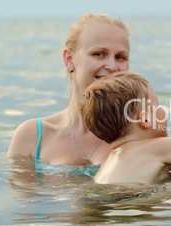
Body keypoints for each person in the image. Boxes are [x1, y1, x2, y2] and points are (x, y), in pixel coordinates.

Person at [7, 14, 130, 175]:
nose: (112, 66)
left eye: (120, 57)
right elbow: (20, 199)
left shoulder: (137, 134)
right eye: (98, 54)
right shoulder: (32, 136)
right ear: (69, 59)